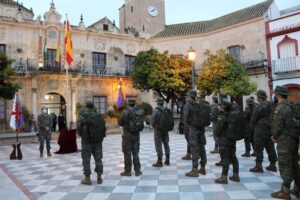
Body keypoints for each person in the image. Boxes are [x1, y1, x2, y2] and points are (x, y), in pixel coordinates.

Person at [271, 86, 299, 199]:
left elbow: (277, 125)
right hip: (293, 139)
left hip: (284, 140)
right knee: (294, 163)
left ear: (277, 95)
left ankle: (285, 191)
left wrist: (274, 136)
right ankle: (297, 188)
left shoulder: (280, 108)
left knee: (285, 164)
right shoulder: (291, 106)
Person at [77, 100, 105, 185]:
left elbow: (79, 131)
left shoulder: (82, 117)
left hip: (86, 142)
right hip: (97, 141)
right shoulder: (98, 115)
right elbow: (103, 128)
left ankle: (87, 179)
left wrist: (84, 135)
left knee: (86, 160)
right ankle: (99, 177)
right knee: (98, 159)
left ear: (86, 107)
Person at [249, 90, 277, 173]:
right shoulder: (271, 104)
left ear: (259, 97)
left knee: (258, 147)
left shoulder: (260, 106)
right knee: (270, 147)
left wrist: (252, 125)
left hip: (260, 129)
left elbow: (254, 118)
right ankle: (273, 165)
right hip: (270, 129)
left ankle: (259, 166)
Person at [214, 100, 240, 184]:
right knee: (233, 156)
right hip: (232, 139)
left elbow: (217, 130)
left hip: (224, 139)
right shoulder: (234, 115)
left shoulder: (222, 116)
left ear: (224, 107)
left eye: (221, 106)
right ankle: (236, 175)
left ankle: (224, 177)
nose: (220, 107)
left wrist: (216, 135)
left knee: (225, 158)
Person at [118, 98, 144, 176]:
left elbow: (120, 123)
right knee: (136, 153)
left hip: (127, 135)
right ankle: (137, 171)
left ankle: (128, 171)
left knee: (127, 153)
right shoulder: (139, 111)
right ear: (134, 104)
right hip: (136, 135)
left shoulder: (125, 112)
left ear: (128, 104)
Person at [185, 90, 207, 177]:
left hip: (193, 129)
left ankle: (194, 170)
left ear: (190, 96)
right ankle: (203, 168)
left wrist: (189, 125)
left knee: (194, 148)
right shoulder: (200, 104)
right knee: (202, 147)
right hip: (201, 128)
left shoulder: (188, 105)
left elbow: (185, 119)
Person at [151, 97, 171, 167]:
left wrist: (154, 126)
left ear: (157, 102)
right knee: (166, 144)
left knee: (158, 145)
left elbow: (153, 122)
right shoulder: (167, 110)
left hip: (158, 130)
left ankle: (159, 161)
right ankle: (167, 160)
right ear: (163, 103)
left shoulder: (156, 111)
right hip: (165, 130)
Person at [181, 94, 192, 160]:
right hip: (195, 125)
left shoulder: (187, 105)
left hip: (188, 125)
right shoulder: (196, 103)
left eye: (187, 96)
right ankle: (197, 153)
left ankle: (189, 154)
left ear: (190, 97)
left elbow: (186, 116)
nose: (185, 97)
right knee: (195, 140)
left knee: (189, 140)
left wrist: (185, 124)